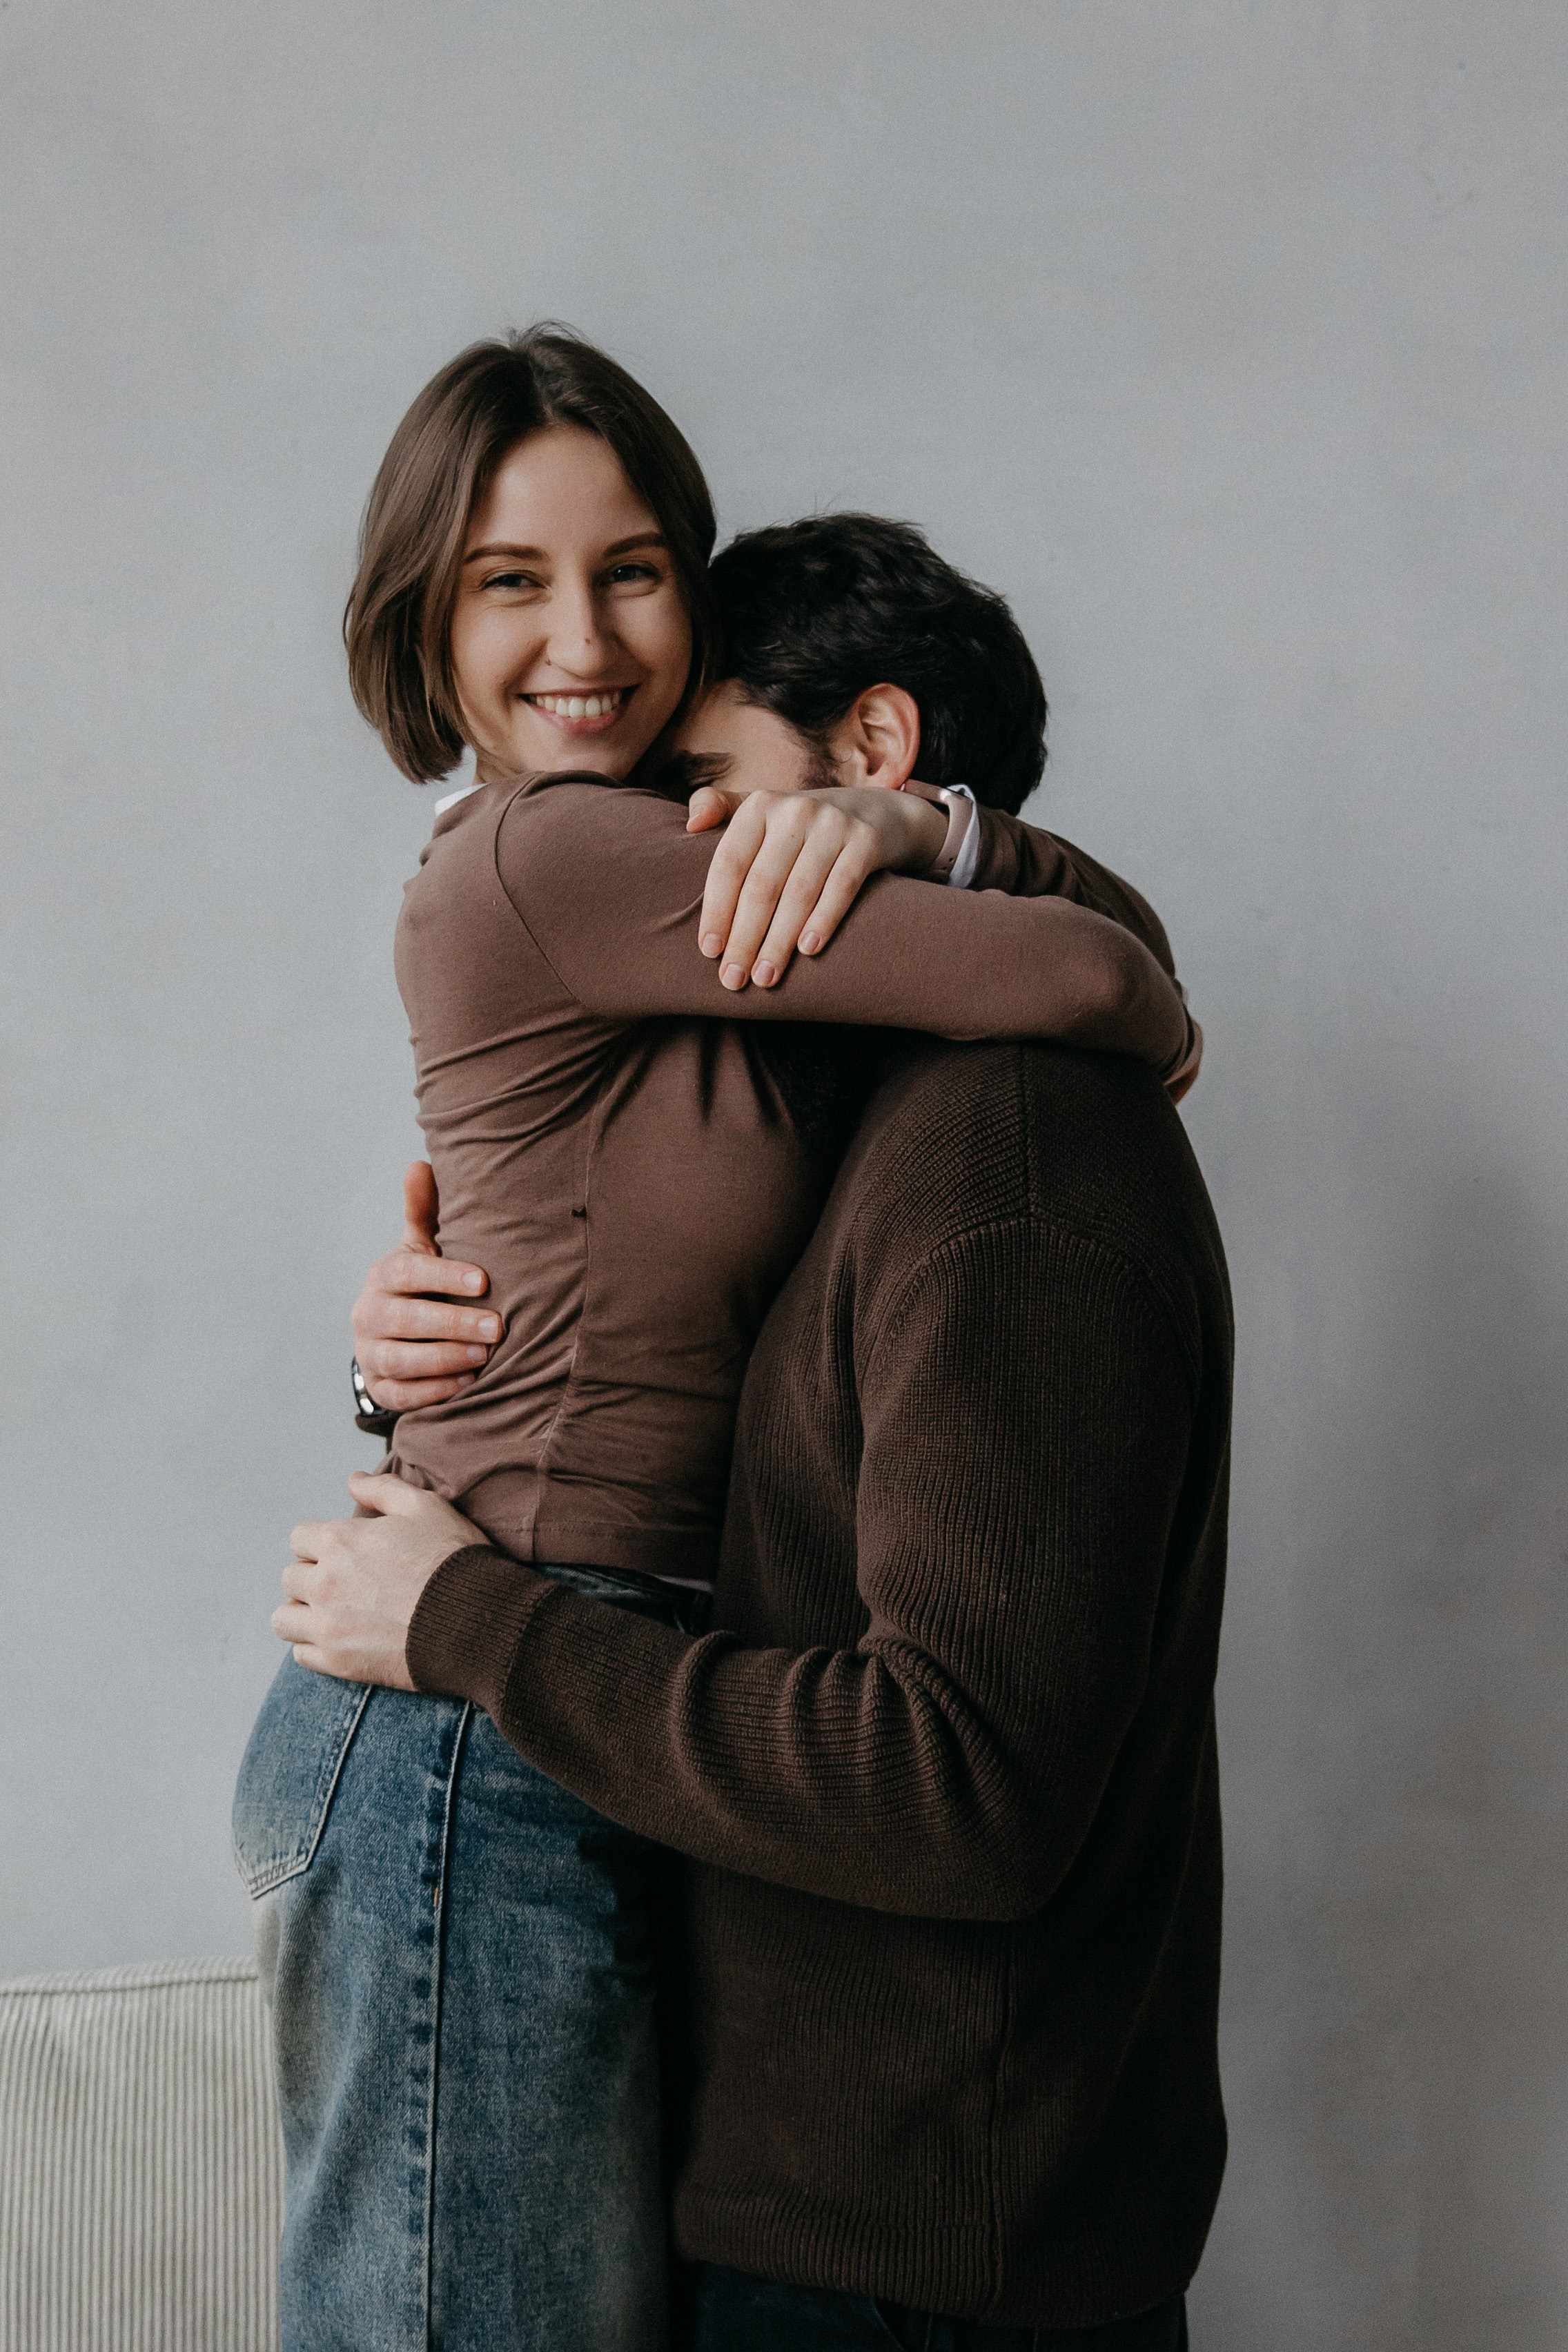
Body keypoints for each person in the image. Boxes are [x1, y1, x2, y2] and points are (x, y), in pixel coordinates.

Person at [243, 326, 1197, 2352]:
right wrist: (932, 843)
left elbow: (1079, 989)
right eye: (508, 579)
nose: (583, 641)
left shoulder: (812, 1013)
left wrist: (915, 827)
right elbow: (1108, 980)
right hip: (475, 1717)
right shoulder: (569, 850)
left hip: (572, 1682)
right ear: (424, 623)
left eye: (631, 568)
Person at [286, 1021, 1231, 2352]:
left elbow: (962, 1787)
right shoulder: (844, 1120)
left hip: (903, 2271)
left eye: (707, 797)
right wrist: (437, 1375)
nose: (672, 834)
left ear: (872, 797)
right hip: (820, 2226)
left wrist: (473, 1623)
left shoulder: (1013, 1158)